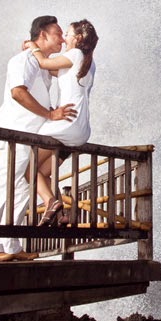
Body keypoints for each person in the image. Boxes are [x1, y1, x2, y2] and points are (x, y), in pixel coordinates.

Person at [0, 15, 77, 261]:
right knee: (5, 185)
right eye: (58, 33)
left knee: (21, 189)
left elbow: (69, 68)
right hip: (16, 133)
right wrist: (49, 114)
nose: (62, 39)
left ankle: (11, 245)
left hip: (33, 136)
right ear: (42, 34)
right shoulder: (22, 61)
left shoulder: (39, 62)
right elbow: (18, 93)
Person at [26, 19, 98, 226]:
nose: (64, 37)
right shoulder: (88, 61)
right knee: (43, 174)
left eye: (67, 33)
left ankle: (50, 202)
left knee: (27, 168)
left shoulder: (74, 54)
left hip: (65, 124)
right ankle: (58, 212)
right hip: (80, 130)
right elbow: (53, 71)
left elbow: (45, 64)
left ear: (77, 38)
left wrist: (34, 48)